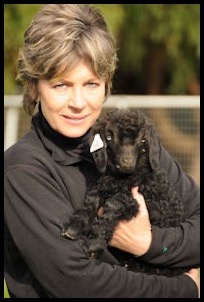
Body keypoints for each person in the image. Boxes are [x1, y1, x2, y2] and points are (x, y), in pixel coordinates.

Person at [4, 4, 200, 298]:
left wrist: (149, 242)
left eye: (91, 84)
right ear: (34, 87)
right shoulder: (24, 170)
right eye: (61, 85)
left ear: (106, 84)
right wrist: (182, 289)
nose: (78, 102)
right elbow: (75, 282)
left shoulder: (139, 150)